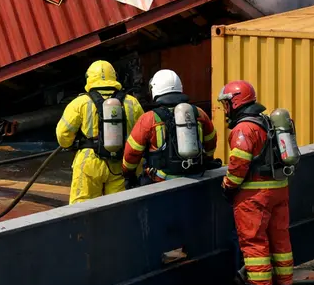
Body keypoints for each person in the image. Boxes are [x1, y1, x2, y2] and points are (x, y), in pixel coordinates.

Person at [218, 80, 293, 285]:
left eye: (226, 104)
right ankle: (285, 283)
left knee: (254, 243)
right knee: (280, 241)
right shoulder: (266, 121)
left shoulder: (243, 129)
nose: (225, 109)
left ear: (236, 102)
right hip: (279, 189)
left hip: (254, 196)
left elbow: (238, 163)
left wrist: (227, 186)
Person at [55, 60, 143, 205]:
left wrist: (71, 144)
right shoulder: (131, 102)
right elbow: (141, 136)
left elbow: (62, 135)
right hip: (120, 163)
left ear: (89, 78)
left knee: (82, 208)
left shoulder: (80, 102)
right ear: (114, 77)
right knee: (119, 209)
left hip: (89, 162)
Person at [122, 69, 217, 185]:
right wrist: (206, 159)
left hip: (160, 184)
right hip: (195, 178)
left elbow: (131, 152)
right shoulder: (199, 113)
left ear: (155, 90)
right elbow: (211, 142)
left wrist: (128, 174)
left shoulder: (149, 118)